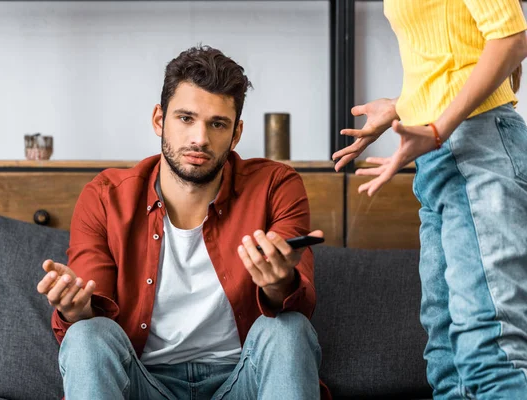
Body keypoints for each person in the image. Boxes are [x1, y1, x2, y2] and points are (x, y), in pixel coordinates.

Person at [36, 45, 329, 400]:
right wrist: (74, 307)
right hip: (143, 384)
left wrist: (279, 283)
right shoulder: (105, 196)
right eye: (186, 118)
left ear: (236, 134)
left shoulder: (276, 186)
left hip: (242, 383)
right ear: (160, 119)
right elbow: (90, 314)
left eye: (217, 124)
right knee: (86, 337)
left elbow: (298, 306)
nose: (200, 139)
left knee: (289, 331)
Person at [333, 1, 527, 398]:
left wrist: (438, 127)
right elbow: (451, 54)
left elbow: (510, 39)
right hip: (439, 155)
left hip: (476, 146)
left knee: (488, 352)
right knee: (446, 361)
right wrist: (403, 108)